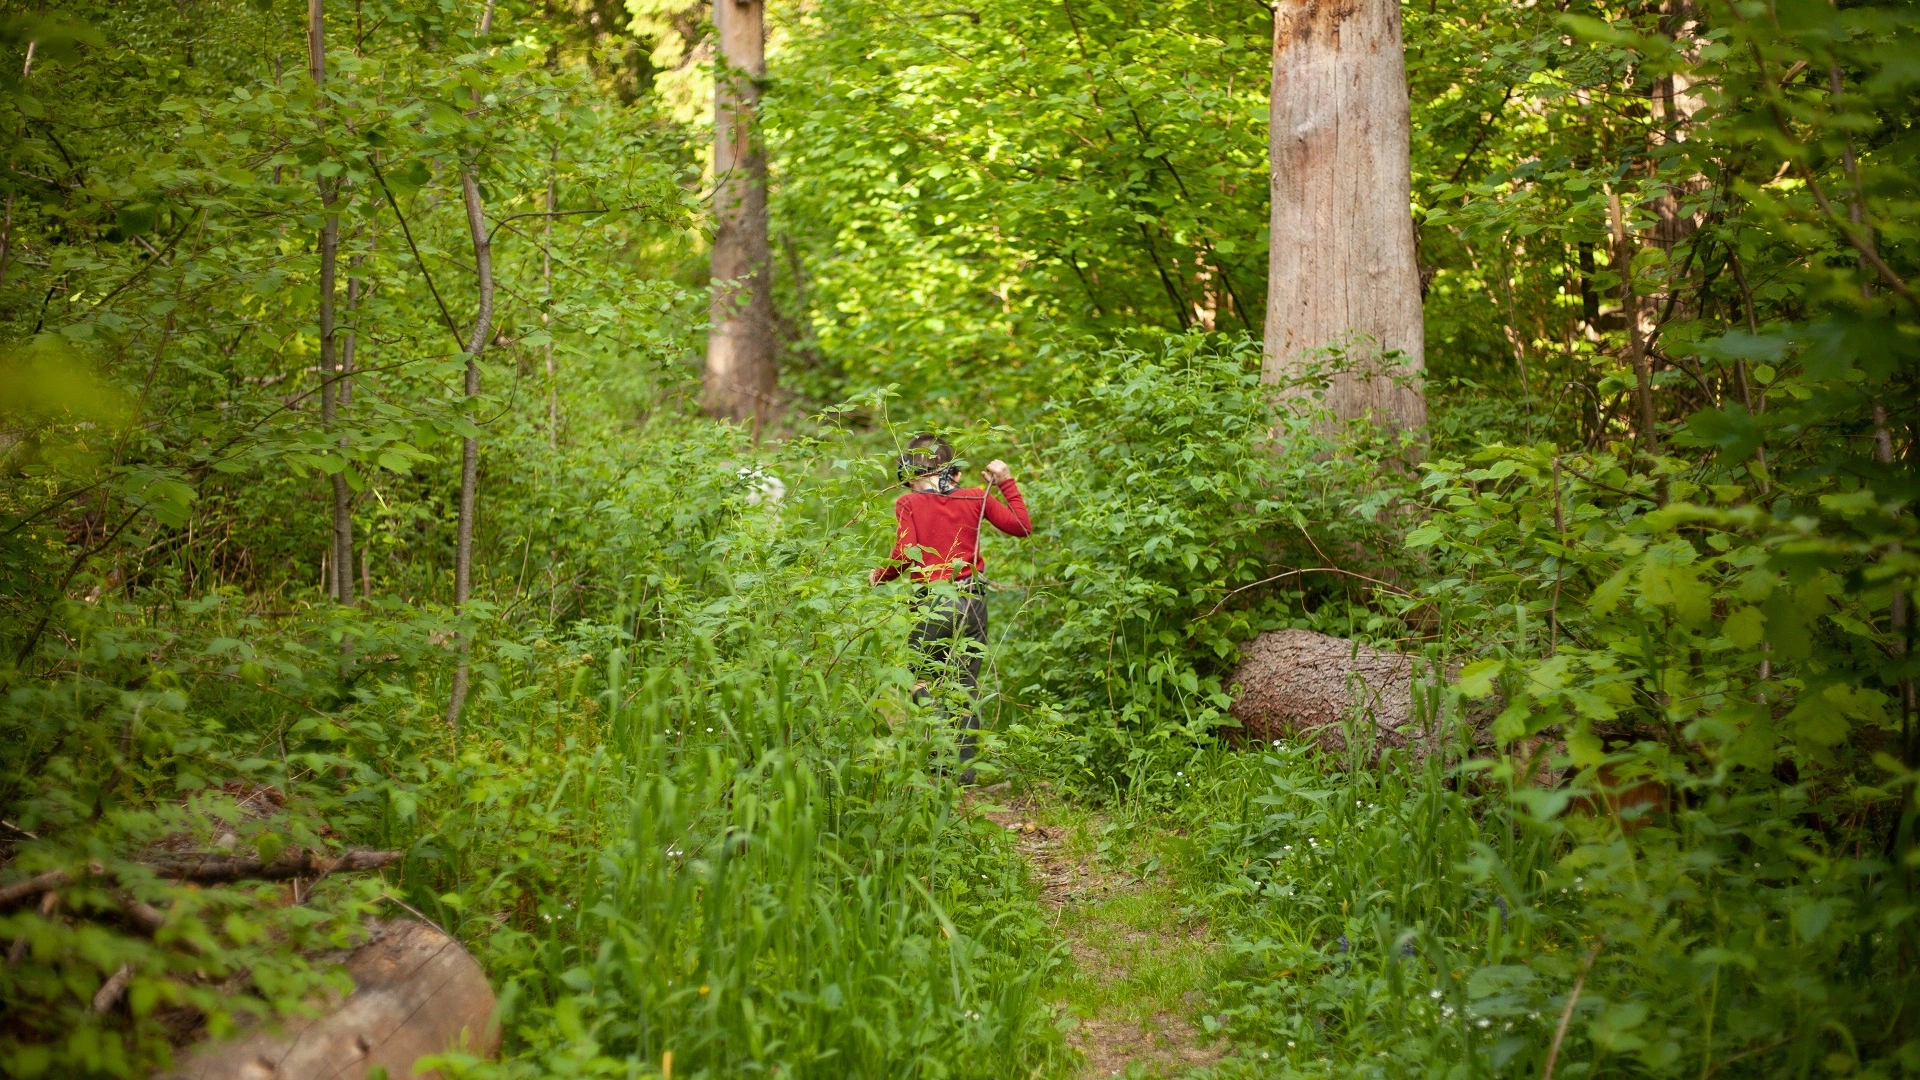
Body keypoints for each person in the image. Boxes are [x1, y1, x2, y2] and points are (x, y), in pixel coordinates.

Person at [870, 434, 1032, 783]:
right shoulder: (975, 496)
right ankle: (964, 771)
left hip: (930, 600)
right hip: (972, 599)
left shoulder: (908, 502)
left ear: (912, 472)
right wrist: (1005, 483)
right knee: (965, 682)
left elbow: (903, 555)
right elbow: (1021, 527)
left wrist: (878, 577)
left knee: (921, 678)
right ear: (951, 470)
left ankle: (939, 753)